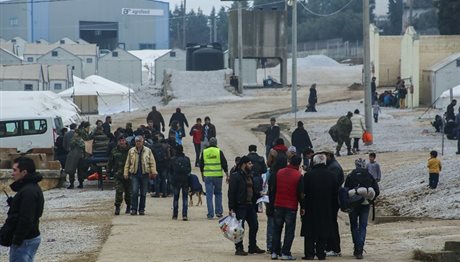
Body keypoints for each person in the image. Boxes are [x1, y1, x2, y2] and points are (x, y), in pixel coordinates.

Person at [0, 157, 44, 262]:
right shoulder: (29, 188)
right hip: (27, 239)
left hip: (25, 240)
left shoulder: (28, 192)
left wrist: (17, 239)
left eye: (15, 170)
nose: (12, 173)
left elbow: (26, 218)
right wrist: (15, 204)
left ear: (24, 172)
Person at [302, 153, 339, 260]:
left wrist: (303, 206)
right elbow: (335, 193)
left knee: (309, 231)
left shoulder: (308, 175)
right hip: (326, 207)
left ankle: (309, 253)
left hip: (311, 206)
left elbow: (304, 192)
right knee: (323, 230)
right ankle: (321, 253)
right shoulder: (331, 175)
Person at [228, 156, 265, 256]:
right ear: (244, 164)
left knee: (254, 225)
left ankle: (252, 246)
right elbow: (231, 192)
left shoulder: (250, 175)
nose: (251, 165)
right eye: (249, 163)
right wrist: (231, 207)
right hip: (240, 206)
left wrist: (259, 195)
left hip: (250, 205)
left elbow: (251, 190)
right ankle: (239, 248)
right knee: (239, 229)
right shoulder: (236, 176)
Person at [344, 158, 380, 259]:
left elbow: (345, 190)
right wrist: (370, 198)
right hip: (365, 204)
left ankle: (357, 248)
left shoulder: (351, 175)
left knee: (354, 226)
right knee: (363, 227)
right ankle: (359, 250)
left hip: (353, 204)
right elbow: (377, 191)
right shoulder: (369, 175)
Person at [270, 155, 304, 260]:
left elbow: (274, 189)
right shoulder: (298, 176)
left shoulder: (279, 172)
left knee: (276, 229)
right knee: (289, 231)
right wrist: (303, 206)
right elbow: (300, 194)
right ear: (298, 164)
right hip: (291, 206)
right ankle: (285, 252)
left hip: (278, 204)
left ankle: (274, 252)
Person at [124, 135, 157, 215]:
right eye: (137, 141)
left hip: (144, 174)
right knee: (134, 191)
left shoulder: (148, 150)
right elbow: (127, 163)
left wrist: (153, 172)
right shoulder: (131, 151)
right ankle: (134, 209)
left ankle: (141, 209)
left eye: (140, 141)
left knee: (143, 192)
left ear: (143, 142)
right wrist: (125, 172)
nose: (138, 143)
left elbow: (152, 162)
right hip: (134, 174)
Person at [199, 137, 228, 219]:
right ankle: (218, 212)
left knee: (209, 195)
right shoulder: (219, 151)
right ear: (216, 143)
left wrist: (202, 176)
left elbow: (201, 165)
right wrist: (227, 174)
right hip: (218, 176)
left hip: (208, 176)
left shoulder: (204, 152)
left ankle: (210, 214)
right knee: (218, 193)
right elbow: (224, 164)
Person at [266, 153, 288, 254]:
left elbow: (270, 190)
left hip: (273, 203)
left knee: (273, 226)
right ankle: (280, 247)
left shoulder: (272, 174)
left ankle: (271, 246)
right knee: (283, 227)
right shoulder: (284, 174)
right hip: (284, 203)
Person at [325, 152, 344, 257]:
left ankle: (334, 248)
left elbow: (333, 184)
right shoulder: (332, 166)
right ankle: (332, 247)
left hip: (333, 200)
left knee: (332, 224)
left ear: (330, 156)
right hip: (333, 199)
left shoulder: (334, 168)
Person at [108, 135, 131, 215]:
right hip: (118, 174)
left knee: (128, 192)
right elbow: (110, 162)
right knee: (119, 191)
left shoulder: (130, 150)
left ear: (125, 141)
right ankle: (117, 207)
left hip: (128, 174)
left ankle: (129, 206)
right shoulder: (114, 150)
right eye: (120, 141)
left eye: (123, 140)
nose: (122, 142)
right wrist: (108, 171)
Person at [171, 145, 191, 220]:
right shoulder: (187, 159)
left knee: (176, 198)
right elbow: (189, 170)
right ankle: (184, 215)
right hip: (185, 180)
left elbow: (170, 170)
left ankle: (175, 215)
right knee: (185, 198)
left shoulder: (173, 159)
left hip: (176, 180)